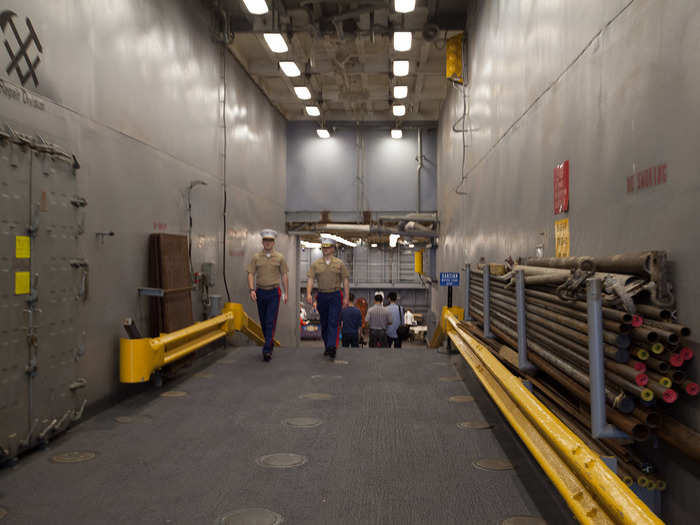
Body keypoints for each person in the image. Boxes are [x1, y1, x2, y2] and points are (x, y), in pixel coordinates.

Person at [247, 229, 288, 362]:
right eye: (265, 240)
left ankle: (267, 350)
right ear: (262, 242)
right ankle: (269, 342)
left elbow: (284, 275)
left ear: (274, 242)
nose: (268, 243)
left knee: (270, 321)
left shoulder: (280, 258)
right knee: (264, 321)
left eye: (270, 241)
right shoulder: (256, 257)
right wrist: (252, 289)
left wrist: (286, 292)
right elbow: (251, 274)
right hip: (260, 292)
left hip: (274, 292)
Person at [306, 238, 350, 360]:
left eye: (328, 247)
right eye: (324, 247)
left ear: (333, 249)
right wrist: (309, 294)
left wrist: (346, 297)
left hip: (335, 295)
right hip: (322, 296)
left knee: (333, 321)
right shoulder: (316, 264)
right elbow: (310, 279)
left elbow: (345, 280)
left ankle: (332, 347)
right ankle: (327, 345)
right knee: (324, 323)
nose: (326, 250)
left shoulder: (339, 264)